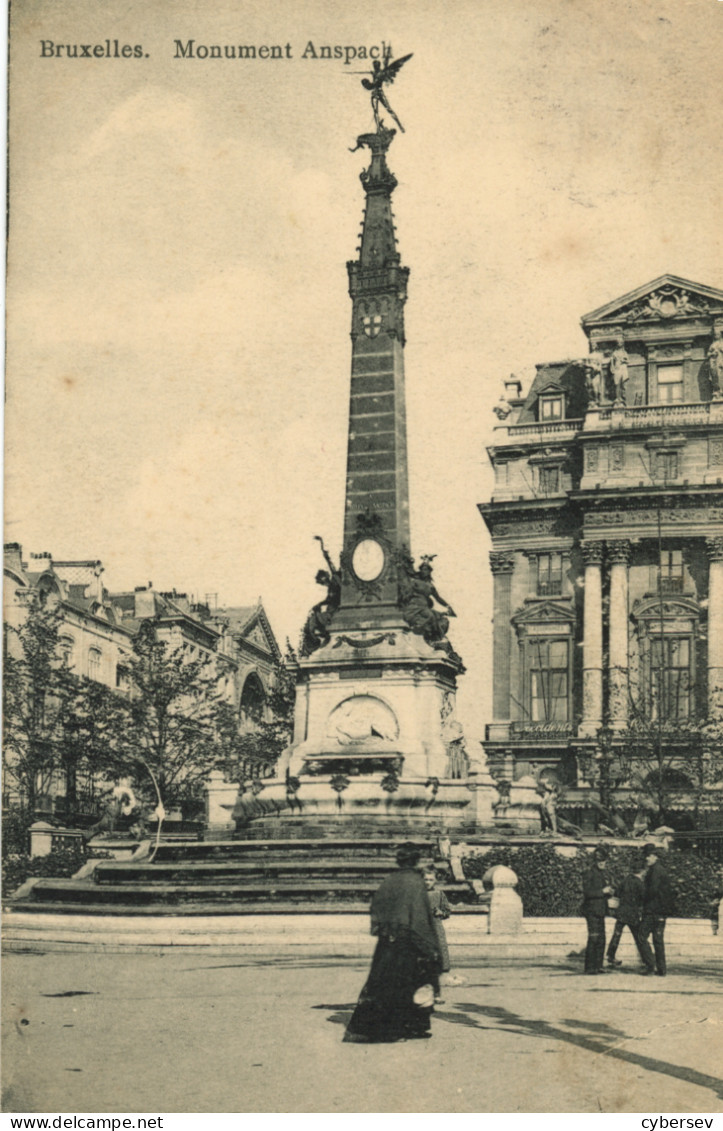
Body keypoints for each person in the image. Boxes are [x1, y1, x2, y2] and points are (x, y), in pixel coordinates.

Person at [344, 843, 439, 1043]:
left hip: (387, 941)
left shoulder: (389, 880)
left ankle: (374, 1027)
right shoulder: (415, 882)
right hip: (408, 942)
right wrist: (430, 946)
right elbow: (420, 916)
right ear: (415, 861)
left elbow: (377, 907)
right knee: (408, 983)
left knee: (382, 983)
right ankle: (405, 1027)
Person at [637, 844, 674, 977]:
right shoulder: (661, 870)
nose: (646, 858)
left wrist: (641, 894)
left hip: (652, 910)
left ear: (654, 856)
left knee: (641, 936)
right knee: (658, 940)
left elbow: (652, 891)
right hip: (661, 911)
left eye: (648, 856)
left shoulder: (655, 871)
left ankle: (650, 965)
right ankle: (662, 969)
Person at [581, 845, 613, 975]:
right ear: (595, 861)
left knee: (601, 939)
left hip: (601, 910)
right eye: (600, 861)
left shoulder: (603, 873)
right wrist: (602, 891)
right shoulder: (589, 873)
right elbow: (587, 892)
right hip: (592, 911)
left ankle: (599, 965)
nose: (602, 864)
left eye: (604, 861)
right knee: (593, 938)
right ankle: (590, 967)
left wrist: (610, 892)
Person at [606, 865, 646, 968]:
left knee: (617, 934)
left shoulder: (626, 880)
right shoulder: (639, 883)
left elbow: (617, 893)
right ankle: (646, 959)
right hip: (632, 914)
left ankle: (611, 956)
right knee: (639, 936)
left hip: (621, 913)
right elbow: (643, 898)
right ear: (642, 871)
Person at [423, 869, 451, 1002]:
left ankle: (437, 994)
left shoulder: (439, 894)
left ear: (435, 881)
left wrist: (441, 912)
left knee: (436, 965)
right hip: (421, 931)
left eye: (431, 879)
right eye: (425, 879)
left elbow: (447, 911)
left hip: (436, 930)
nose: (428, 882)